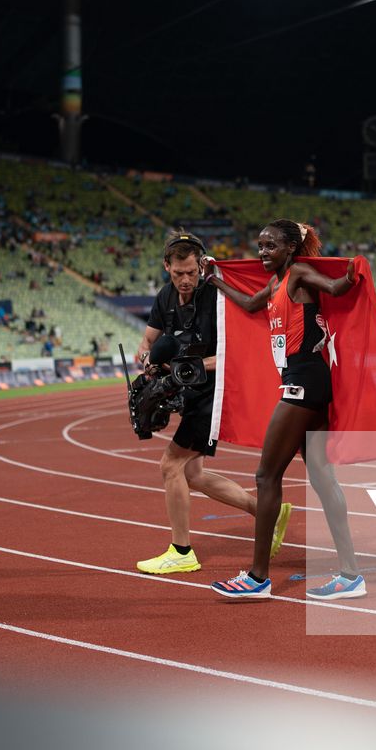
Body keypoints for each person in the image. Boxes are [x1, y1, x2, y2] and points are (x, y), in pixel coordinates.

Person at [208, 221, 366, 601]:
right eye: (260, 245)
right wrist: (215, 280)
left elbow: (334, 287)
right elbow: (249, 304)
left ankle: (258, 577)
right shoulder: (277, 282)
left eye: (271, 246)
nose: (263, 252)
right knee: (322, 480)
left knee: (266, 476)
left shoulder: (298, 273)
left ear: (291, 248)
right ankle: (351, 575)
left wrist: (353, 271)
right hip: (305, 381)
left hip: (305, 383)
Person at [131, 234, 271, 576]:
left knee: (171, 466)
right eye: (178, 272)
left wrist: (182, 366)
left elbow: (234, 354)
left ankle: (182, 551)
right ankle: (266, 511)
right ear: (167, 267)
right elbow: (150, 338)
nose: (185, 280)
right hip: (189, 394)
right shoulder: (165, 297)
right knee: (191, 473)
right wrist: (145, 356)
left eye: (191, 272)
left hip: (213, 393)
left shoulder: (216, 297)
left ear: (202, 265)